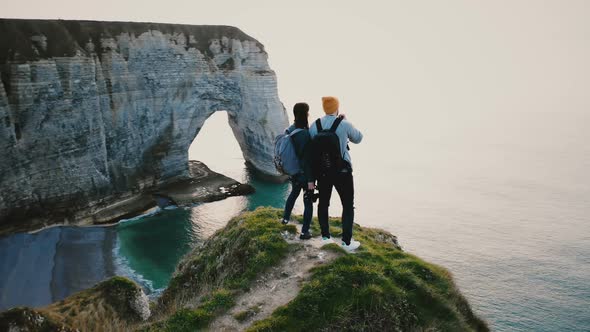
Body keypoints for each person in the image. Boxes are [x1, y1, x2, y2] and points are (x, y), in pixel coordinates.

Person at [309, 96, 363, 251]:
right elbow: (358, 138)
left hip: (323, 172)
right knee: (347, 205)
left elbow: (313, 150)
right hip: (342, 172)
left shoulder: (315, 125)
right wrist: (346, 120)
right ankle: (346, 242)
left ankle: (326, 238)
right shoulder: (344, 124)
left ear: (324, 108)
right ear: (336, 108)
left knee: (323, 203)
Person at [281, 102, 316, 240]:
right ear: (305, 114)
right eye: (307, 112)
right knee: (308, 202)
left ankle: (285, 219)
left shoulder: (290, 129)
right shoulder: (305, 134)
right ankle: (304, 232)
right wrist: (311, 180)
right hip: (304, 174)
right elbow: (306, 160)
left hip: (293, 171)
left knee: (293, 194)